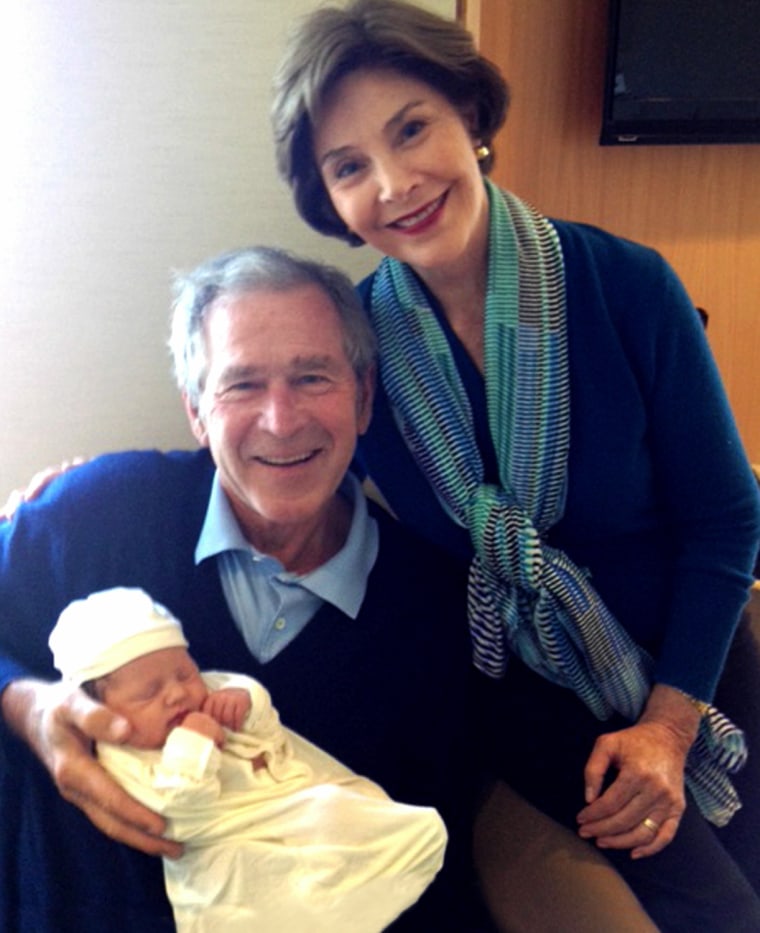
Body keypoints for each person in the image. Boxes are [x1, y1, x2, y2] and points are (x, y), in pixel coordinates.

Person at [271, 1, 760, 930]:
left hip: (694, 656)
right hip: (518, 687)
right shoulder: (356, 346)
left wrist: (668, 724)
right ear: (328, 200)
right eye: (349, 167)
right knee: (720, 910)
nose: (395, 182)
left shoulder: (627, 286)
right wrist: (95, 485)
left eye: (412, 129)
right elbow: (280, 454)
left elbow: (726, 520)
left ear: (470, 116)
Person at [0, 246, 487, 931]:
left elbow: (429, 865)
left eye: (312, 377)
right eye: (242, 385)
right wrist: (26, 705)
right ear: (197, 410)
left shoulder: (433, 606)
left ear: (365, 396)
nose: (281, 420)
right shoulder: (95, 514)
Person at [49, 586, 448, 933]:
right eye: (149, 692)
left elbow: (264, 724)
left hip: (287, 802)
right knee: (254, 889)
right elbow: (172, 813)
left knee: (343, 817)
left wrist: (244, 703)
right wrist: (194, 743)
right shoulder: (122, 757)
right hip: (221, 846)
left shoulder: (207, 691)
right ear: (98, 710)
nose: (177, 694)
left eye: (184, 674)